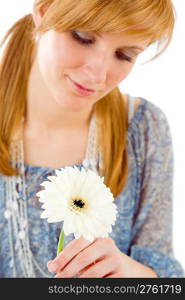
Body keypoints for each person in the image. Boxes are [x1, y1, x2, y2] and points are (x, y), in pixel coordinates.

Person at [0, 0, 184, 278]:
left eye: (124, 55)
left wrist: (130, 274)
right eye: (83, 37)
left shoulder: (143, 129)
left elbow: (166, 278)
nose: (98, 75)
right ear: (43, 11)